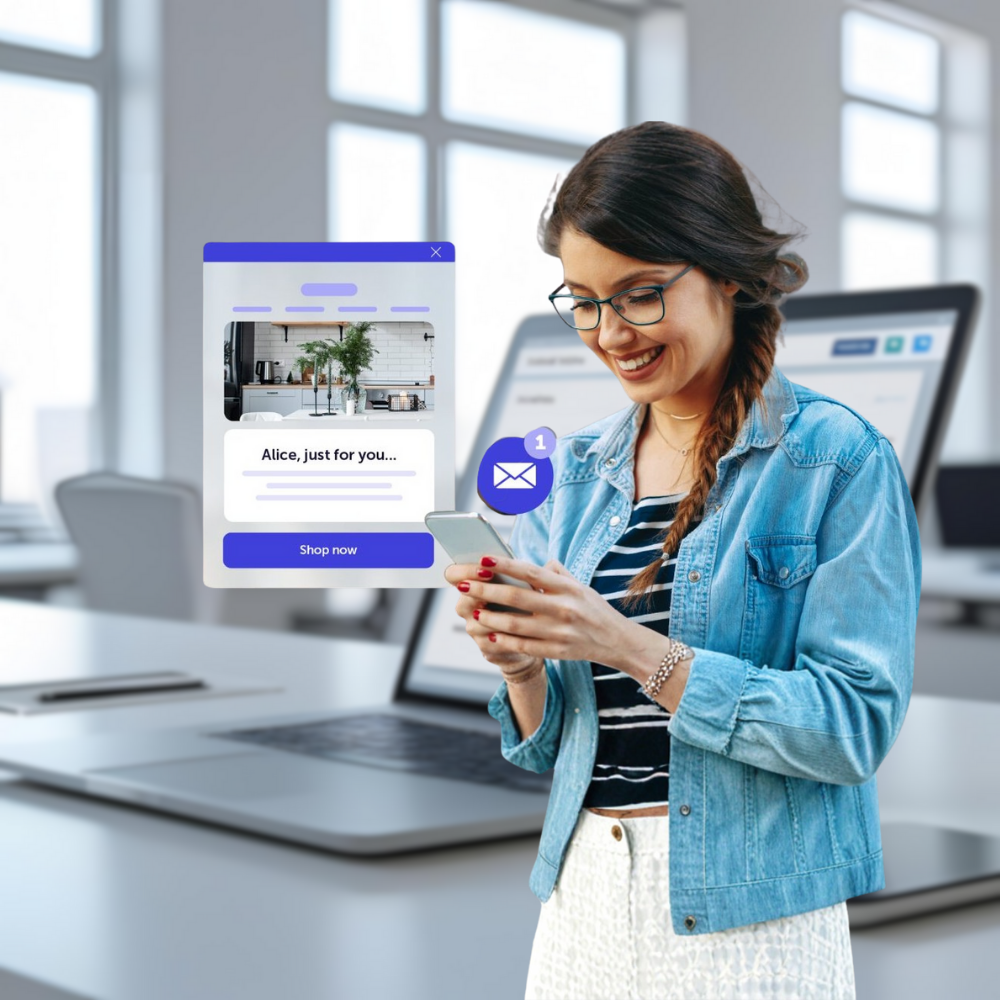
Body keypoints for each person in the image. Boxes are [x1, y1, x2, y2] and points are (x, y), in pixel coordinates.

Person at [444, 121, 920, 1000]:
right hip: (582, 897)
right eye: (584, 300)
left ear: (727, 276)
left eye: (639, 295)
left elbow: (852, 728)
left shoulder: (835, 460)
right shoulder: (577, 476)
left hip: (751, 917)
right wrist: (521, 666)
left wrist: (628, 645)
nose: (608, 331)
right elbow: (550, 747)